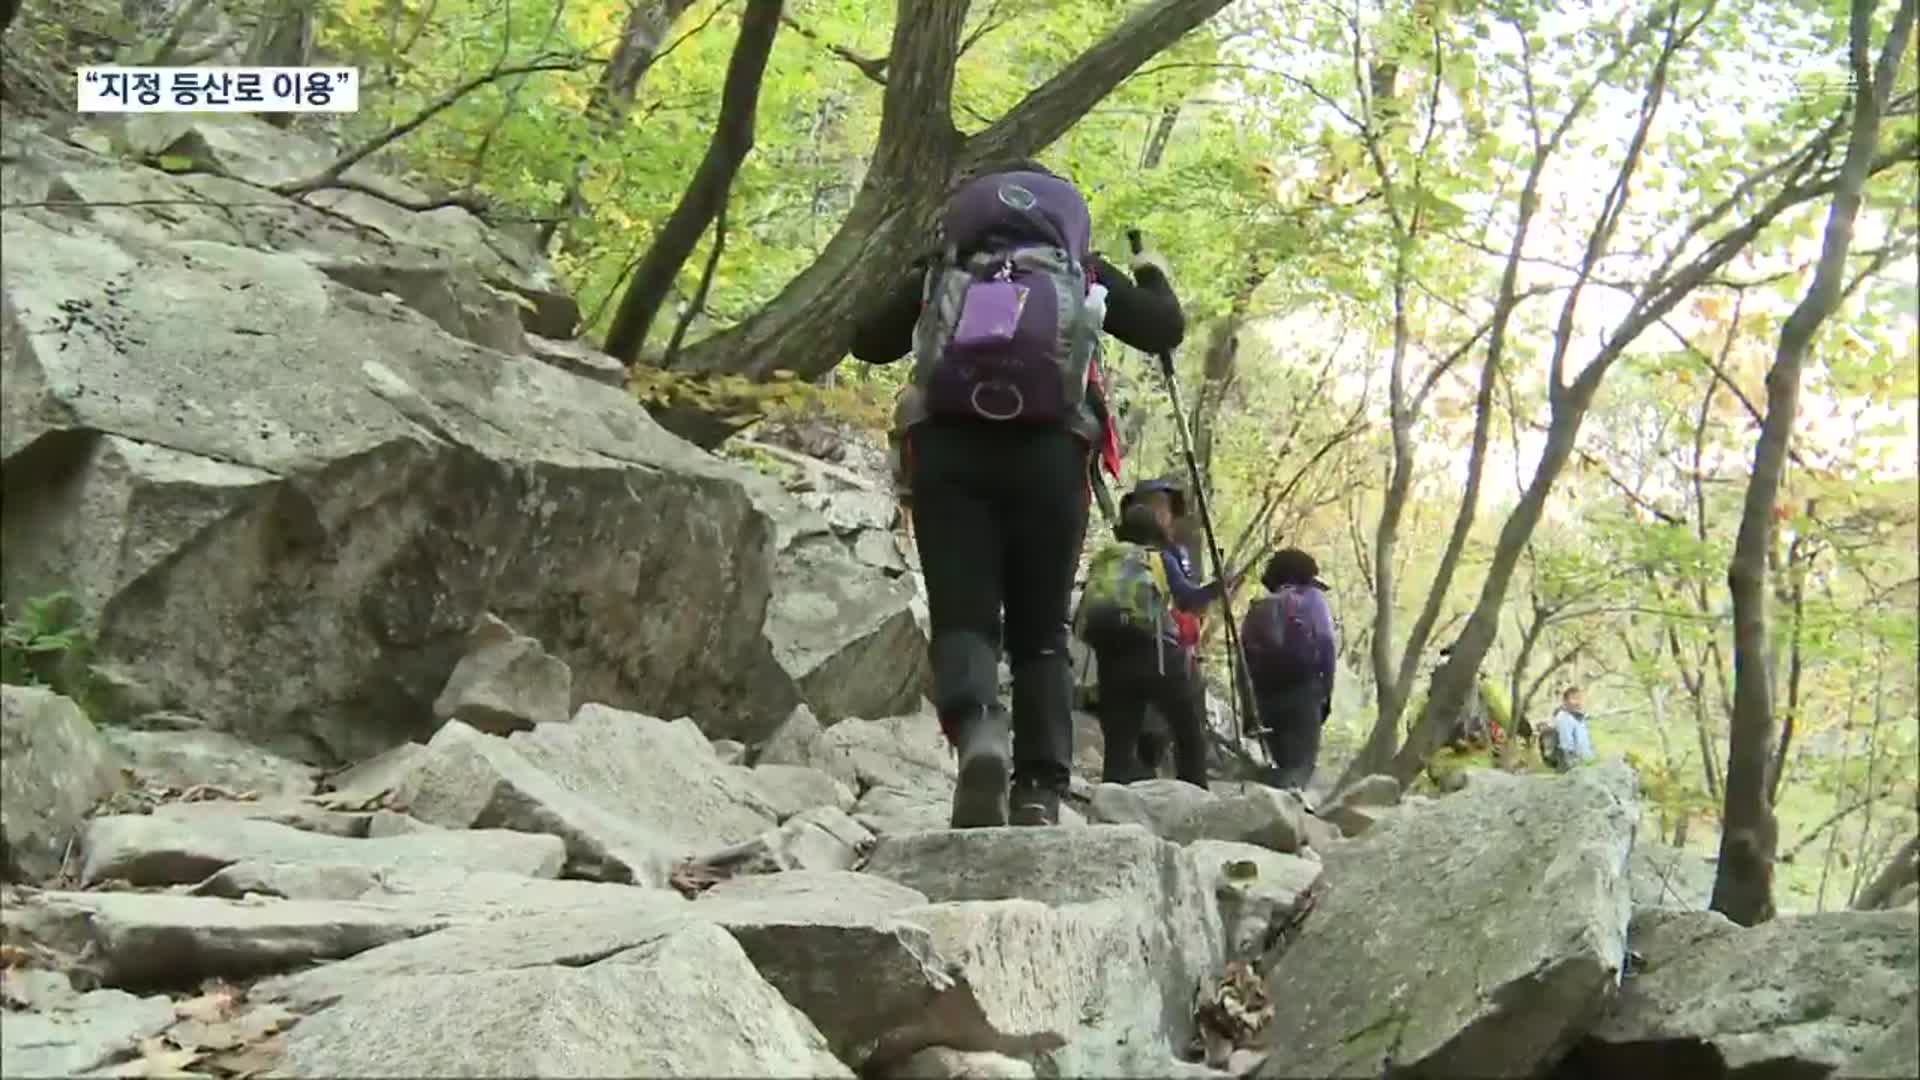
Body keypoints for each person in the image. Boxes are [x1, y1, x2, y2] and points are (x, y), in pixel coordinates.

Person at [849, 158, 1186, 828]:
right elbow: (1163, 328)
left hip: (948, 450)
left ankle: (978, 734)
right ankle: (1038, 789)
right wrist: (1151, 271)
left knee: (966, 619)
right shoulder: (1082, 274)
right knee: (1040, 632)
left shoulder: (947, 269)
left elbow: (867, 341)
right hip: (1052, 455)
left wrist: (921, 273)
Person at [1080, 502, 1233, 786]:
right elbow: (1188, 600)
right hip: (1157, 655)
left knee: (1119, 738)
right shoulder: (1158, 559)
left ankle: (1113, 800)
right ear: (1156, 533)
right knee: (1188, 727)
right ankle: (1195, 792)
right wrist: (1218, 587)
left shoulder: (1104, 559)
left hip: (1111, 655)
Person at [1240, 548, 1336, 790]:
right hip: (1303, 693)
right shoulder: (1313, 599)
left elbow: (1243, 662)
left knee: (1282, 765)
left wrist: (1248, 710)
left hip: (1266, 698)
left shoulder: (1259, 607)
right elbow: (1326, 644)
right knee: (1300, 768)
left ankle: (1269, 814)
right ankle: (1286, 819)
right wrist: (1326, 692)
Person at [1544, 686, 1595, 771]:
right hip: (1572, 768)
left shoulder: (1579, 718)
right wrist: (1574, 766)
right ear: (1565, 702)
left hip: (1585, 765)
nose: (1578, 702)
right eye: (1574, 698)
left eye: (1580, 698)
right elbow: (1567, 746)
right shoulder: (1564, 718)